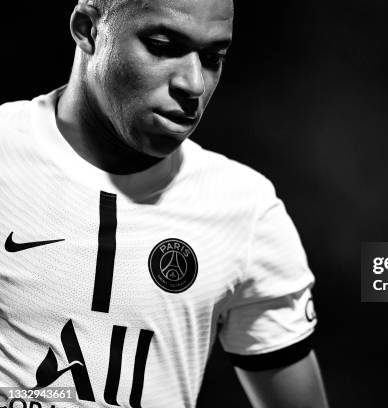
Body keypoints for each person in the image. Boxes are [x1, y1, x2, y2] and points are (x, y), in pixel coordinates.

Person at [0, 0, 329, 407]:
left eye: (212, 58)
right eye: (162, 45)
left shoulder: (245, 209)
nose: (193, 84)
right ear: (88, 30)